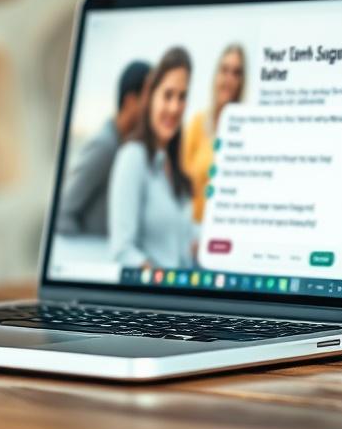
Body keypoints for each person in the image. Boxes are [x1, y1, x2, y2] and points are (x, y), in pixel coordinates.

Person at [109, 47, 194, 268]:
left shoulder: (171, 163)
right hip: (156, 293)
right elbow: (122, 250)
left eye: (182, 97)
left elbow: (181, 239)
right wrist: (163, 283)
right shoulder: (132, 157)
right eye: (168, 95)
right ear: (151, 97)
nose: (175, 107)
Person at [56, 60, 150, 236]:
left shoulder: (130, 149)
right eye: (150, 98)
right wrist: (91, 249)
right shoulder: (105, 147)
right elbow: (62, 213)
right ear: (130, 101)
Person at [183, 44, 245, 223]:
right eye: (224, 70)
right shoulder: (197, 123)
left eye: (236, 73)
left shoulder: (245, 129)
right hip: (192, 229)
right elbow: (180, 184)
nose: (229, 79)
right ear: (216, 75)